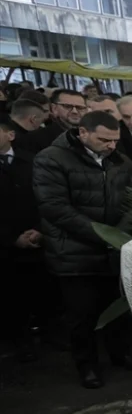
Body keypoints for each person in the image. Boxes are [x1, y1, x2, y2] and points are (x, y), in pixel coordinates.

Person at [32, 111, 132, 388]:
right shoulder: (51, 159)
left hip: (114, 249)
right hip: (73, 251)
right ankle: (87, 365)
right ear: (83, 133)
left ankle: (120, 354)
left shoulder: (121, 162)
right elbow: (54, 207)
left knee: (117, 309)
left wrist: (119, 234)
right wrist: (102, 234)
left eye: (115, 140)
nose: (111, 146)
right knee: (82, 315)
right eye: (104, 139)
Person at [0, 116, 50, 362]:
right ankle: (18, 341)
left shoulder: (32, 162)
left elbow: (48, 198)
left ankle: (50, 335)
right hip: (6, 247)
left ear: (10, 135)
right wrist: (11, 239)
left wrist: (40, 228)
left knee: (44, 292)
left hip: (39, 239)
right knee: (10, 297)